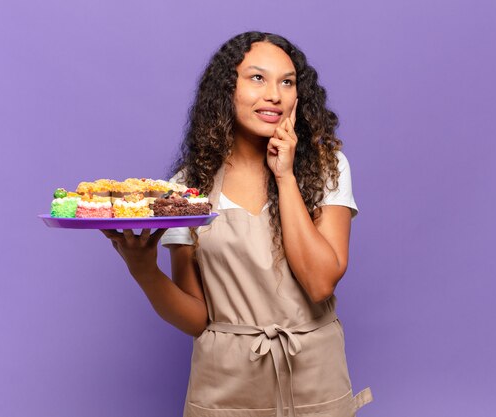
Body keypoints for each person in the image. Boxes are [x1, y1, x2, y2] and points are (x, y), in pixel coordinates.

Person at [101, 31, 372, 417]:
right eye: (257, 78)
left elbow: (320, 281)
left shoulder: (328, 167)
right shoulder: (187, 188)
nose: (275, 95)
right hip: (224, 385)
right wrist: (142, 269)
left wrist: (286, 176)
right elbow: (197, 319)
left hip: (314, 378)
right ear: (227, 90)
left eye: (287, 82)